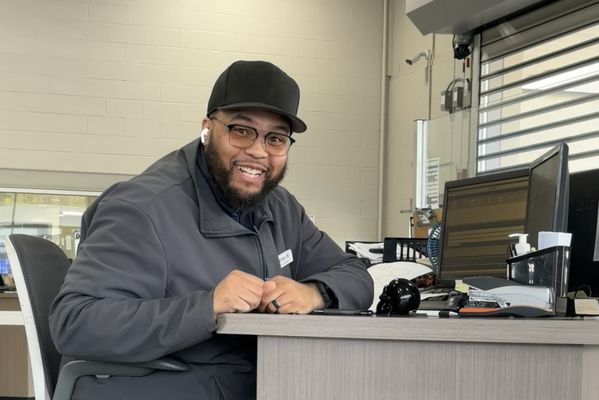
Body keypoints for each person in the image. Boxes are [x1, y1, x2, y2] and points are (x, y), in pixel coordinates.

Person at [49, 60, 374, 400]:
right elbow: (75, 323)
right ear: (207, 127)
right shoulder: (142, 209)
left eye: (275, 138)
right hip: (158, 386)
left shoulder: (281, 207)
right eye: (241, 130)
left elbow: (355, 275)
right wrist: (207, 306)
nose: (258, 151)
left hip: (255, 379)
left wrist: (313, 292)